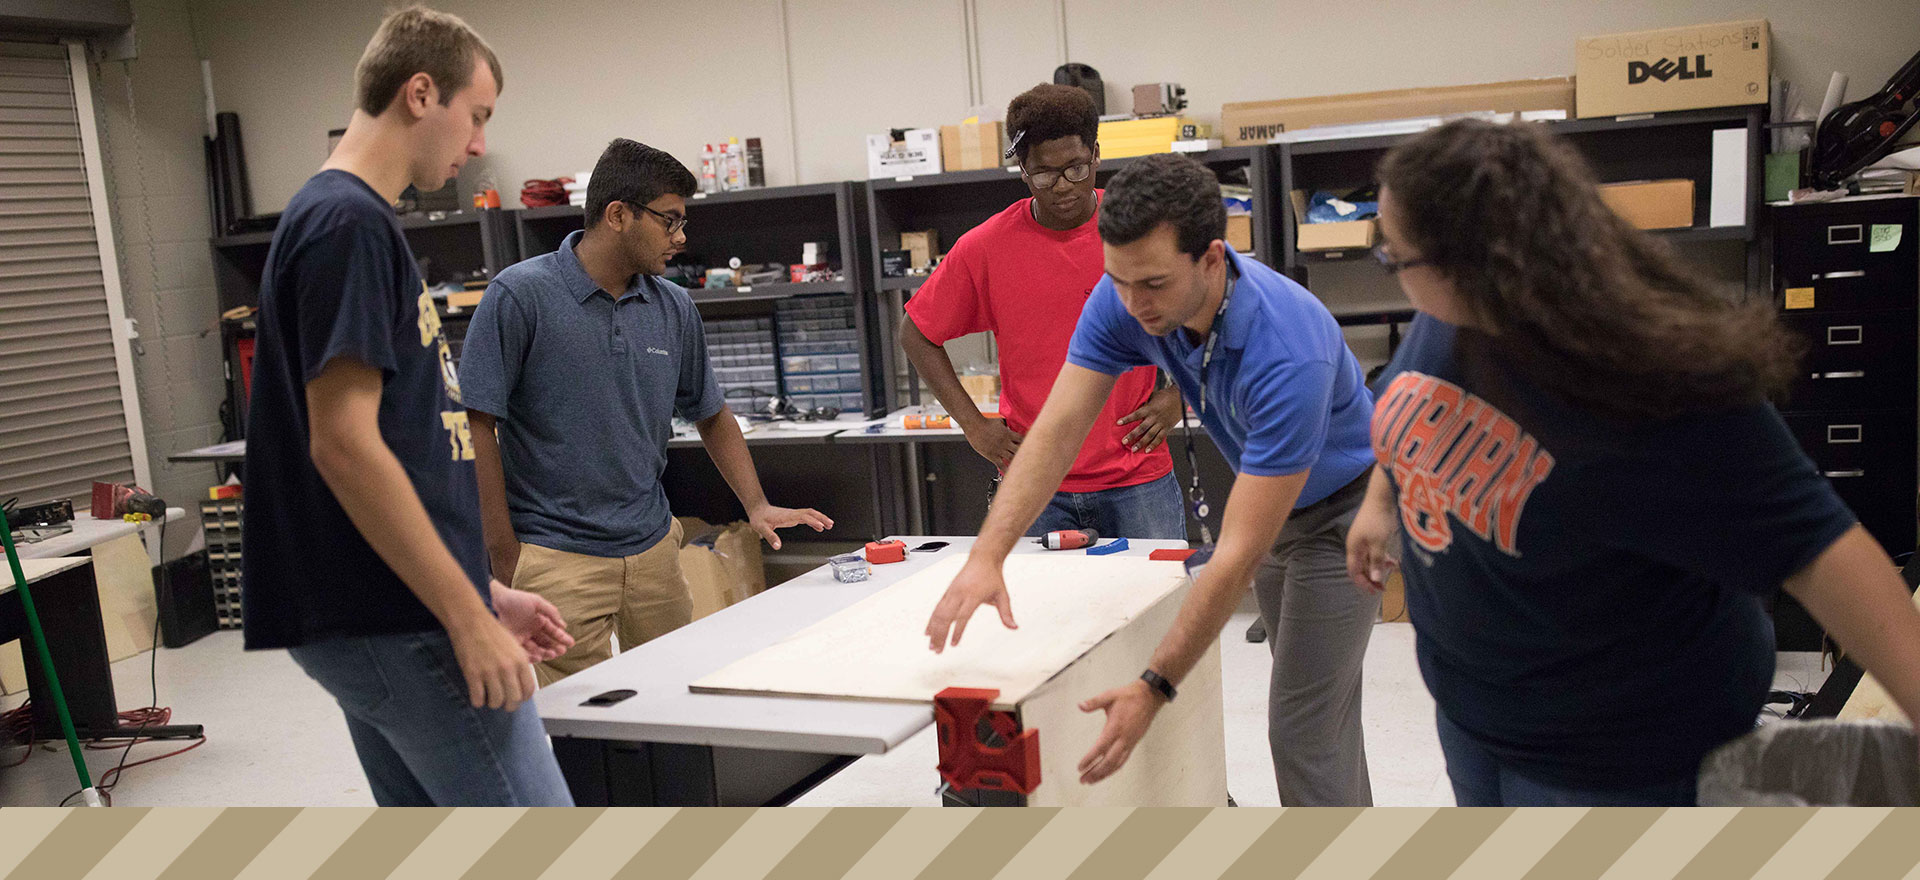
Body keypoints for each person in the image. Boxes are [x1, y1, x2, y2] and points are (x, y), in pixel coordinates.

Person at [1346, 118, 1920, 806]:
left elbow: (1823, 552)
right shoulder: (1461, 313)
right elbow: (1418, 410)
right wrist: (1382, 502)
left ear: (1472, 263)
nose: (1391, 265)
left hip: (1609, 756)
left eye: (1394, 257)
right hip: (1474, 713)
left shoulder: (1654, 382)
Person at [924, 153, 1380, 805]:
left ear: (1213, 260)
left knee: (1304, 732)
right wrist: (986, 556)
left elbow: (1233, 558)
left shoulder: (1286, 348)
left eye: (1155, 285)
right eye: (1120, 280)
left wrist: (1154, 687)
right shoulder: (1125, 299)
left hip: (1348, 517)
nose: (1135, 304)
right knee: (1325, 714)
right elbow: (1055, 434)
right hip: (1285, 512)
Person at [241, 6, 575, 807]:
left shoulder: (342, 220)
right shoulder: (345, 224)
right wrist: (466, 617)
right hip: (403, 621)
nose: (479, 144)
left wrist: (483, 589)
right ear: (421, 93)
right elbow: (345, 447)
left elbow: (405, 442)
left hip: (391, 610)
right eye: (479, 115)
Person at [460, 138, 833, 685]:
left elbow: (711, 412)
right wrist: (502, 554)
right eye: (670, 221)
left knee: (674, 708)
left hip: (653, 548)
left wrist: (757, 504)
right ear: (618, 215)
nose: (681, 238)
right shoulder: (519, 296)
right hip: (554, 555)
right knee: (583, 729)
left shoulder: (672, 305)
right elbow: (477, 426)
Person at [898, 84, 1184, 539]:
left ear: (1095, 152)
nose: (1064, 186)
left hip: (1137, 478)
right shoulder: (986, 247)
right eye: (1044, 174)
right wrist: (974, 426)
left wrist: (1179, 397)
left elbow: (1209, 311)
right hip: (1034, 483)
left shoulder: (1140, 227)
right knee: (1036, 612)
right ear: (1022, 171)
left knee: (1157, 607)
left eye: (1076, 167)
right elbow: (916, 333)